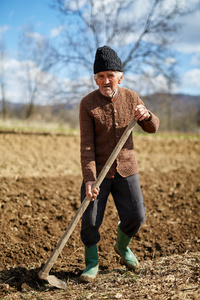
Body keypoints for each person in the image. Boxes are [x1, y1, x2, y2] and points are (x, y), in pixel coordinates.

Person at [79, 45, 159, 282]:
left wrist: (147, 116)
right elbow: (87, 146)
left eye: (110, 75)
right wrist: (89, 178)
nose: (106, 80)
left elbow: (153, 128)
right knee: (90, 220)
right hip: (99, 172)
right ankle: (92, 263)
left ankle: (122, 247)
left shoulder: (132, 97)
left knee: (137, 215)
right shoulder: (87, 104)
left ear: (120, 77)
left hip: (126, 169)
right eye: (101, 76)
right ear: (95, 80)